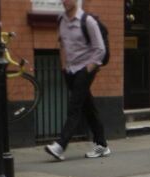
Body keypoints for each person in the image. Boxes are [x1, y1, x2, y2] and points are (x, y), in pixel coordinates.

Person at [45, 0, 109, 160]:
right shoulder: (61, 20)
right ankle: (102, 145)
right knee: (87, 106)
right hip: (70, 70)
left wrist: (88, 69)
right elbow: (61, 44)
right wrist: (63, 66)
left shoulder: (87, 21)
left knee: (74, 107)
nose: (65, 1)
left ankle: (60, 146)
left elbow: (100, 49)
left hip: (85, 69)